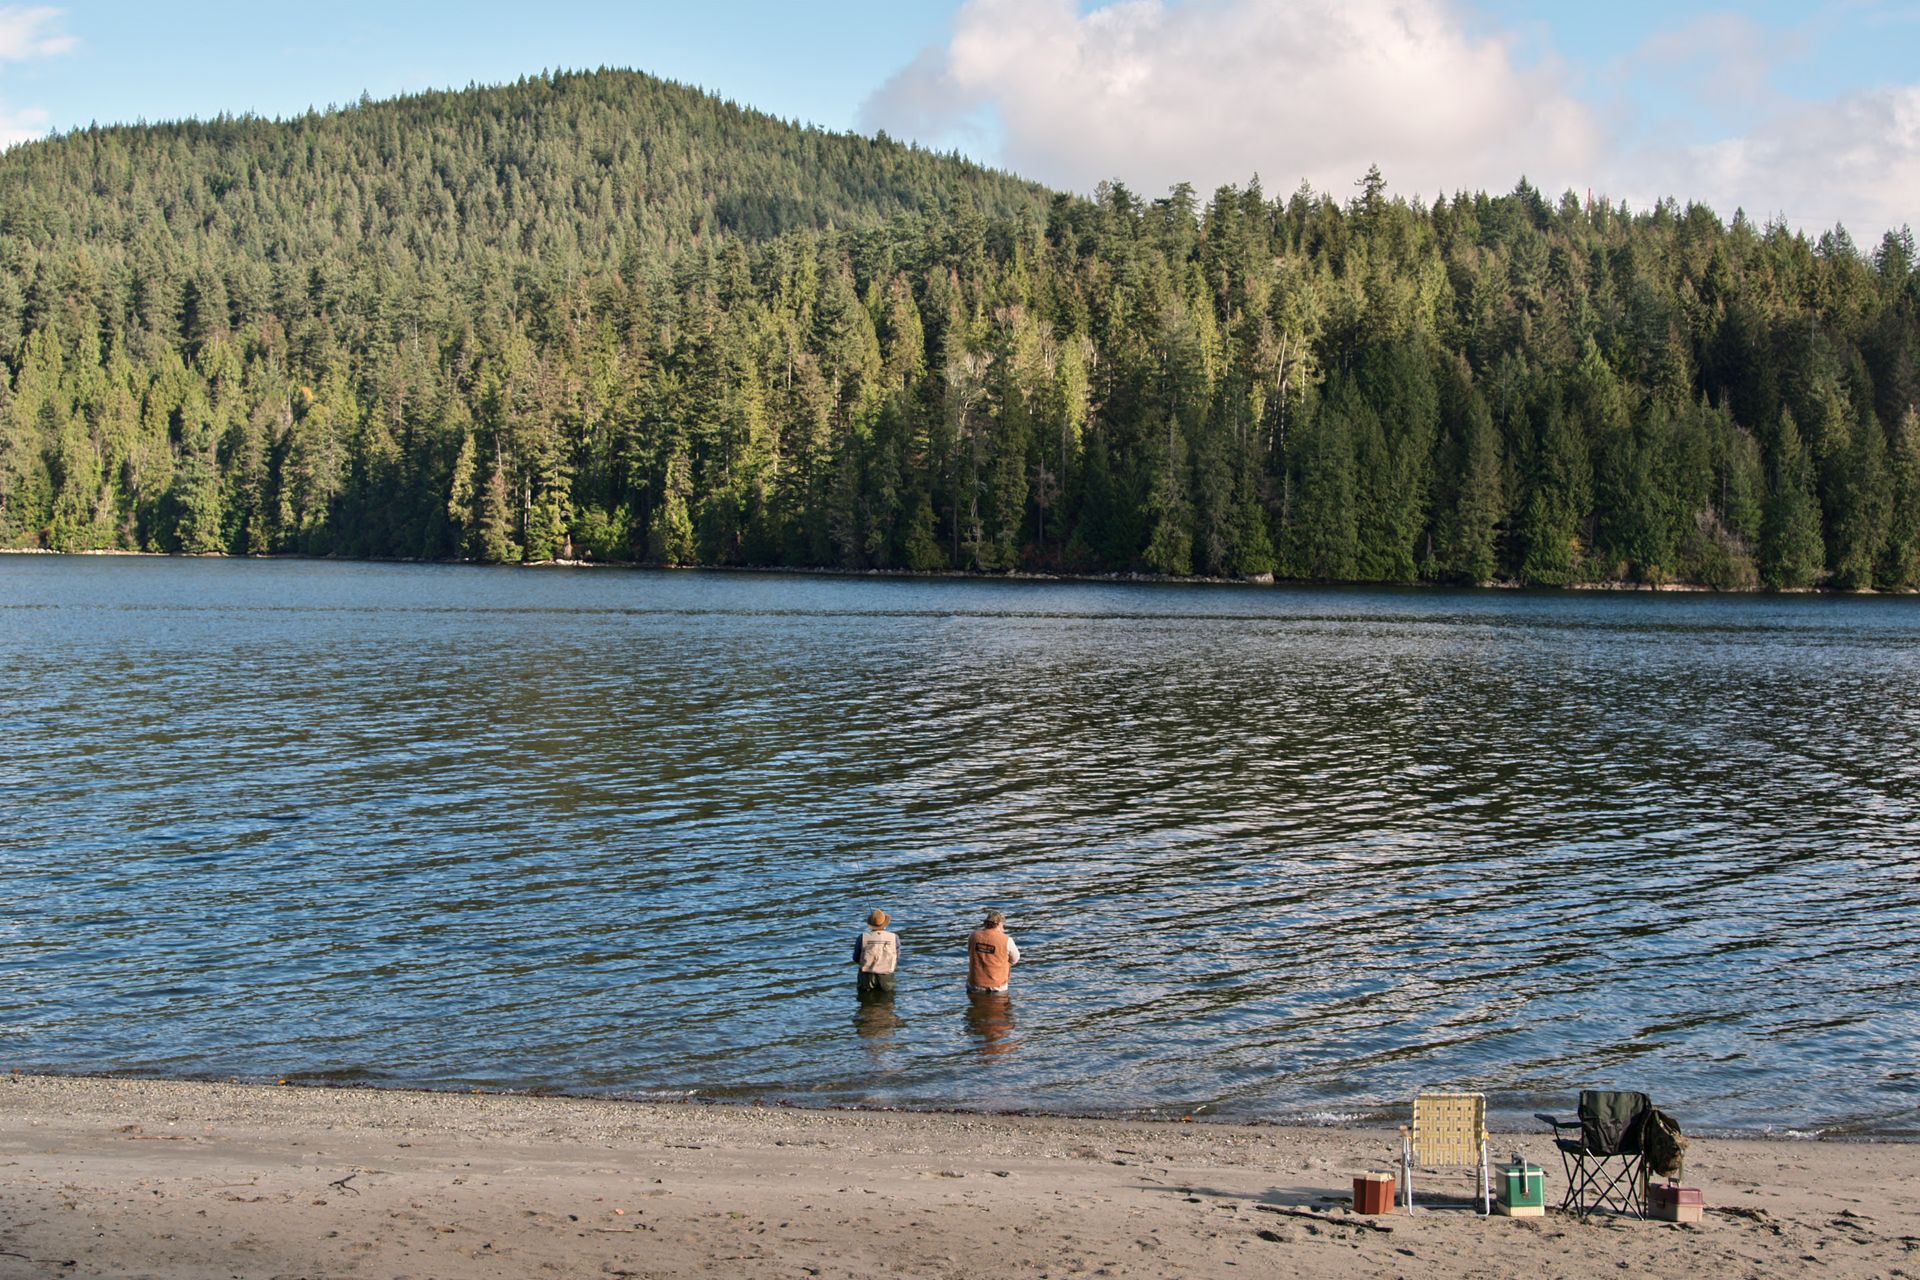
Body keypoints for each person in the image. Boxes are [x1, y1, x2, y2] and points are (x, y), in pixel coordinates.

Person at [966, 909, 1020, 994]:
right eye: (1003, 925)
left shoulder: (973, 936)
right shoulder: (1007, 940)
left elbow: (970, 952)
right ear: (999, 924)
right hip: (997, 986)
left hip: (975, 983)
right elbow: (1015, 959)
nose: (1003, 927)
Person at [853, 909, 899, 1000]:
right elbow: (897, 957)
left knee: (865, 1003)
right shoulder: (894, 937)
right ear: (885, 924)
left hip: (866, 976)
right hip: (887, 976)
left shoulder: (862, 937)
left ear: (870, 925)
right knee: (887, 1004)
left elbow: (855, 958)